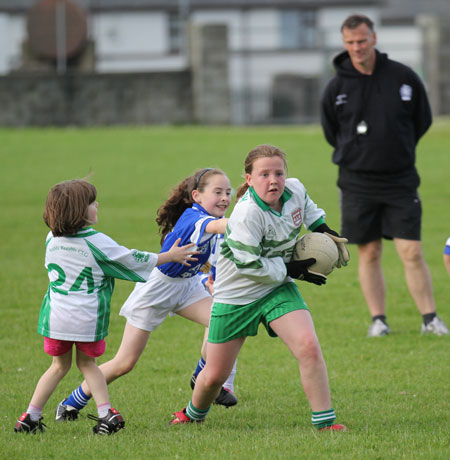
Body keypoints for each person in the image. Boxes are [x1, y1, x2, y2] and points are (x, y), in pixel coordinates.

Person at [169, 144, 349, 431]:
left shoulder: (295, 190)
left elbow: (309, 211)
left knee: (308, 347)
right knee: (215, 376)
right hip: (236, 295)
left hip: (276, 288)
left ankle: (325, 423)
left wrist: (324, 230)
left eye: (278, 173)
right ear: (249, 179)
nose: (274, 180)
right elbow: (249, 265)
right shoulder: (246, 214)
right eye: (264, 174)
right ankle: (192, 413)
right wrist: (291, 269)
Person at [55, 168, 238, 423]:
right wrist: (251, 219)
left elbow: (219, 251)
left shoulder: (215, 219)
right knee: (125, 362)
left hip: (187, 287)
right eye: (217, 192)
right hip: (157, 289)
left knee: (224, 319)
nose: (224, 198)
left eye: (228, 192)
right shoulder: (195, 219)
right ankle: (70, 402)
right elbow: (221, 226)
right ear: (197, 196)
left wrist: (213, 279)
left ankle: (201, 374)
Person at [14, 179, 197, 435]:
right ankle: (105, 414)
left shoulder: (50, 239)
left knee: (58, 367)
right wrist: (169, 256)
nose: (96, 204)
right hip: (85, 320)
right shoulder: (94, 241)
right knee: (88, 366)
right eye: (91, 202)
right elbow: (131, 259)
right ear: (79, 211)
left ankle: (29, 416)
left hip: (54, 319)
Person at [320, 14, 449, 337]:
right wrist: (358, 153)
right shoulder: (336, 86)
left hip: (400, 179)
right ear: (344, 43)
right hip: (356, 182)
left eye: (362, 41)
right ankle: (379, 320)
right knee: (370, 251)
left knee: (412, 251)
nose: (357, 48)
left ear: (374, 38)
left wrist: (396, 149)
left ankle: (430, 319)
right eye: (350, 43)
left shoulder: (403, 77)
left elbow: (422, 120)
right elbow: (331, 131)